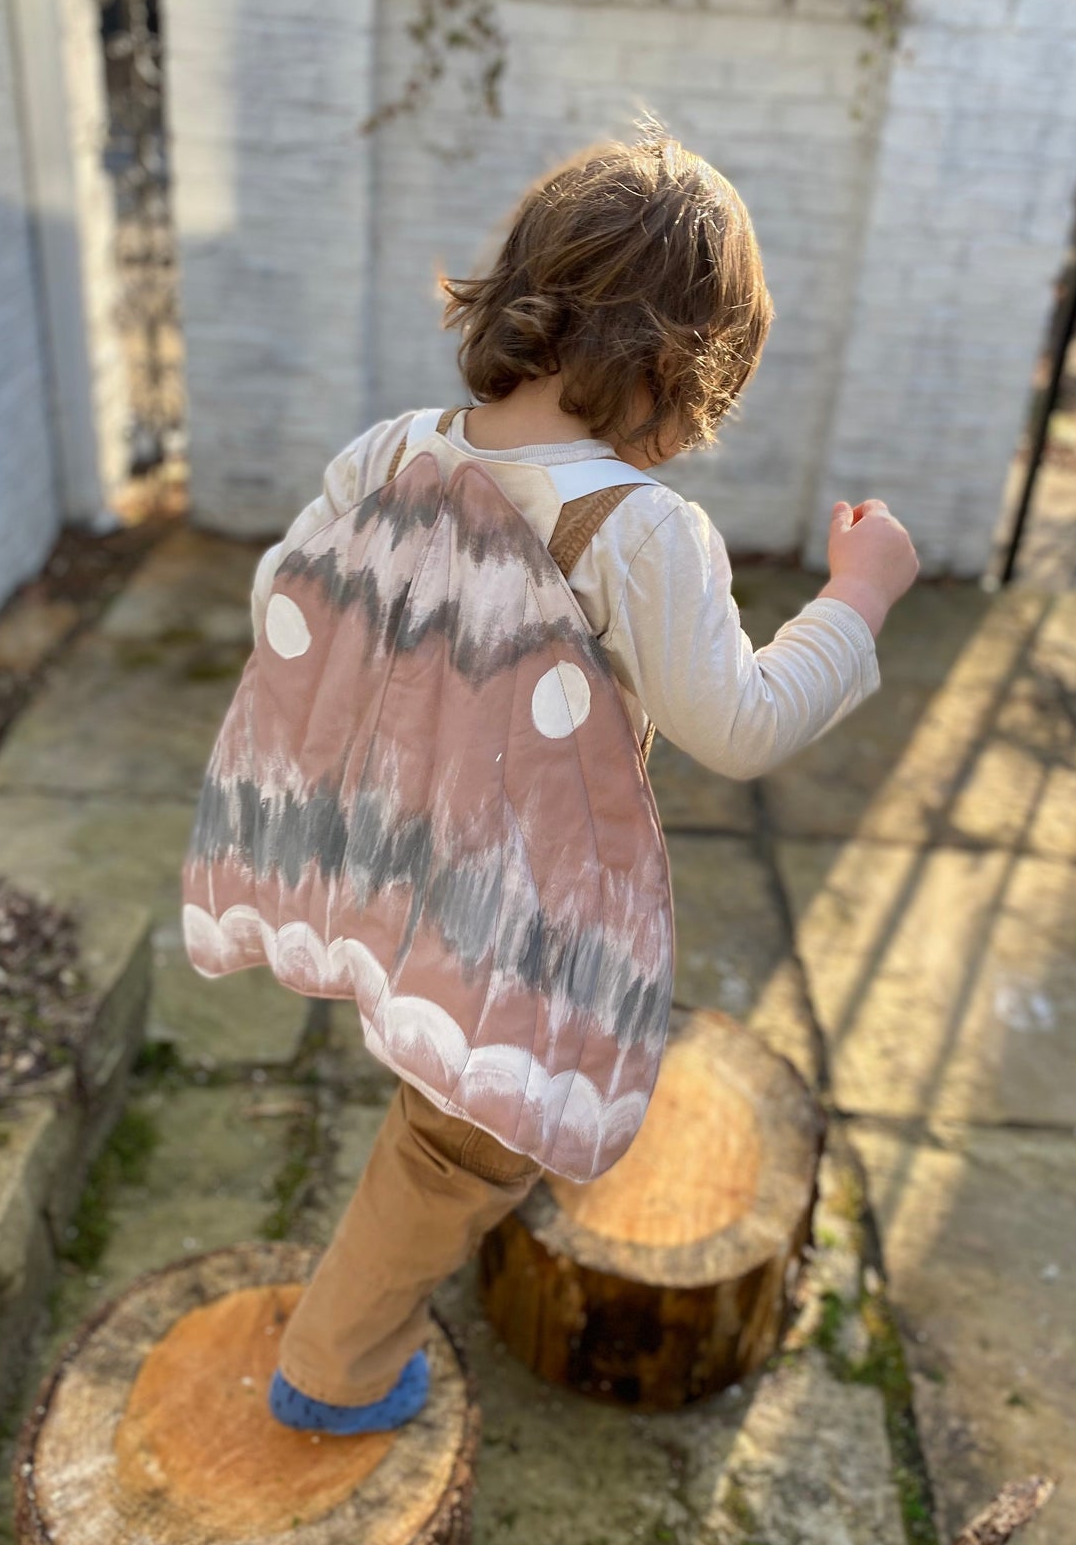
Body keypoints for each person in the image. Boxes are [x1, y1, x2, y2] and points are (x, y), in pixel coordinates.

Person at [232, 127, 919, 1434]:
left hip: (387, 856)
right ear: (678, 371)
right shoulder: (640, 530)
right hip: (514, 920)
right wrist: (857, 597)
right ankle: (330, 1372)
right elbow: (739, 722)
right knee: (452, 1152)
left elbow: (293, 604)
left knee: (447, 1067)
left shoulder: (392, 452)